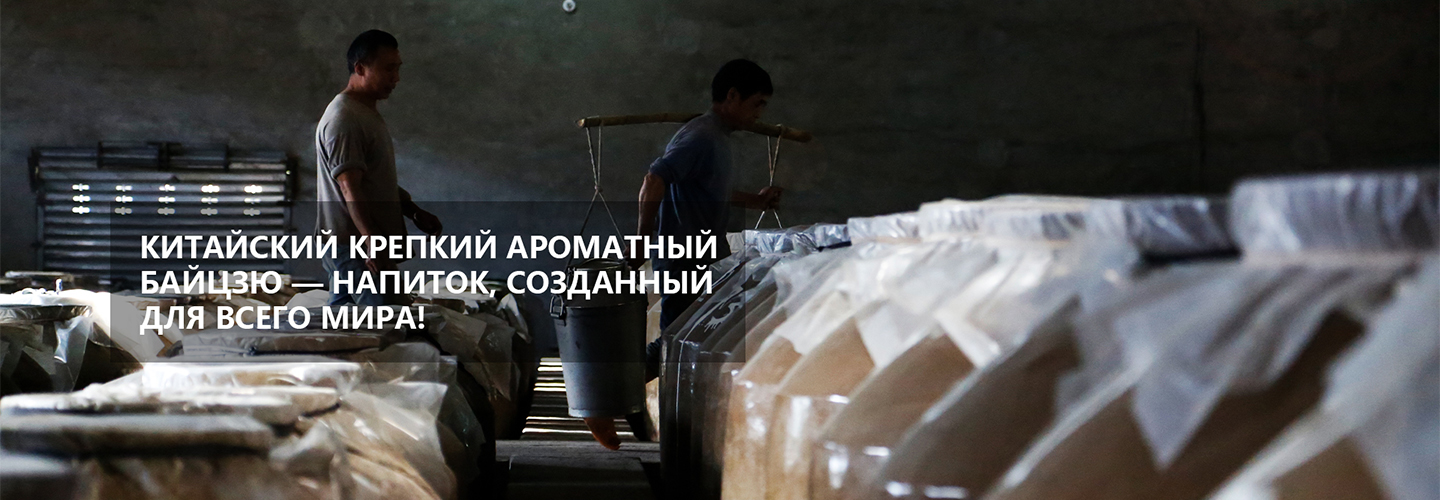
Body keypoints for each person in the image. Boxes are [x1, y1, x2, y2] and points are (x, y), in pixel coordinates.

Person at [635, 58, 784, 332]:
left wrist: (756, 201)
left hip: (707, 261)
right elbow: (654, 179)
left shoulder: (718, 137)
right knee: (677, 342)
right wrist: (641, 241)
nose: (760, 114)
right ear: (732, 96)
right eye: (757, 103)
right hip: (685, 262)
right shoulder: (701, 136)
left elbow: (708, 190)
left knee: (696, 340)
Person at [315, 29, 442, 306]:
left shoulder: (364, 113)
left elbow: (372, 180)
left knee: (355, 322)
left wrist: (412, 211)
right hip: (356, 247)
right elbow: (349, 187)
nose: (396, 78)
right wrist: (371, 241)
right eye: (388, 69)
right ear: (360, 68)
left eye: (397, 68)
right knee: (384, 321)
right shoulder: (344, 118)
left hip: (362, 245)